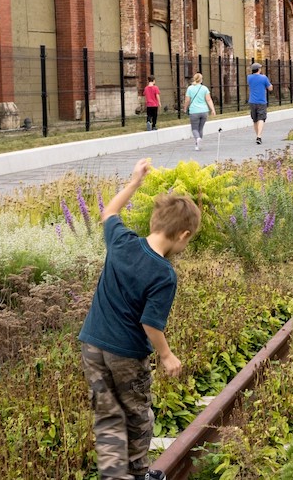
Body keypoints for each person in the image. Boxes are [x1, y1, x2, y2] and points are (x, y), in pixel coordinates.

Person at [79, 158, 202, 480]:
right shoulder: (163, 273)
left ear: (154, 222)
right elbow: (151, 323)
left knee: (107, 416)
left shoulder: (122, 241)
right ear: (183, 234)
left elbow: (109, 213)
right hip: (126, 354)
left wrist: (134, 183)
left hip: (92, 343)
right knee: (137, 416)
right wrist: (166, 355)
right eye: (188, 241)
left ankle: (113, 476)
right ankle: (136, 474)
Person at [183, 72, 215, 151]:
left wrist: (185, 108)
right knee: (200, 129)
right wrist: (213, 109)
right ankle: (197, 145)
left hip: (194, 111)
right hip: (204, 111)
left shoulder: (190, 88)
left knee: (194, 128)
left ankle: (197, 138)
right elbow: (208, 99)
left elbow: (187, 100)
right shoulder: (204, 88)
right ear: (201, 80)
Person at [247, 63, 273, 145]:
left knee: (255, 119)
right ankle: (259, 136)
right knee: (261, 118)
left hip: (252, 101)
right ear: (259, 69)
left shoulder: (249, 77)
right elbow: (270, 88)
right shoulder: (264, 77)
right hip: (261, 101)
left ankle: (257, 135)